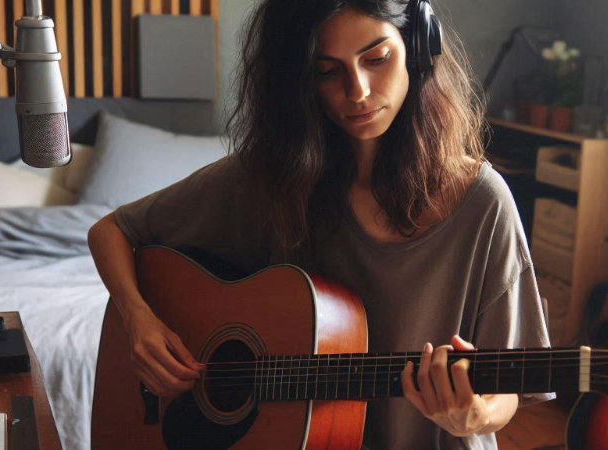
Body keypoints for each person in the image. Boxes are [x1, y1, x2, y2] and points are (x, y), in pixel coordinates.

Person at [87, 0, 551, 448]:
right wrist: (139, 320)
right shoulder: (271, 180)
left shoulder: (482, 203)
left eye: (377, 58)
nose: (359, 92)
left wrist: (475, 414)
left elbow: (508, 390)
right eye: (328, 71)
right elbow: (112, 230)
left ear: (419, 47)